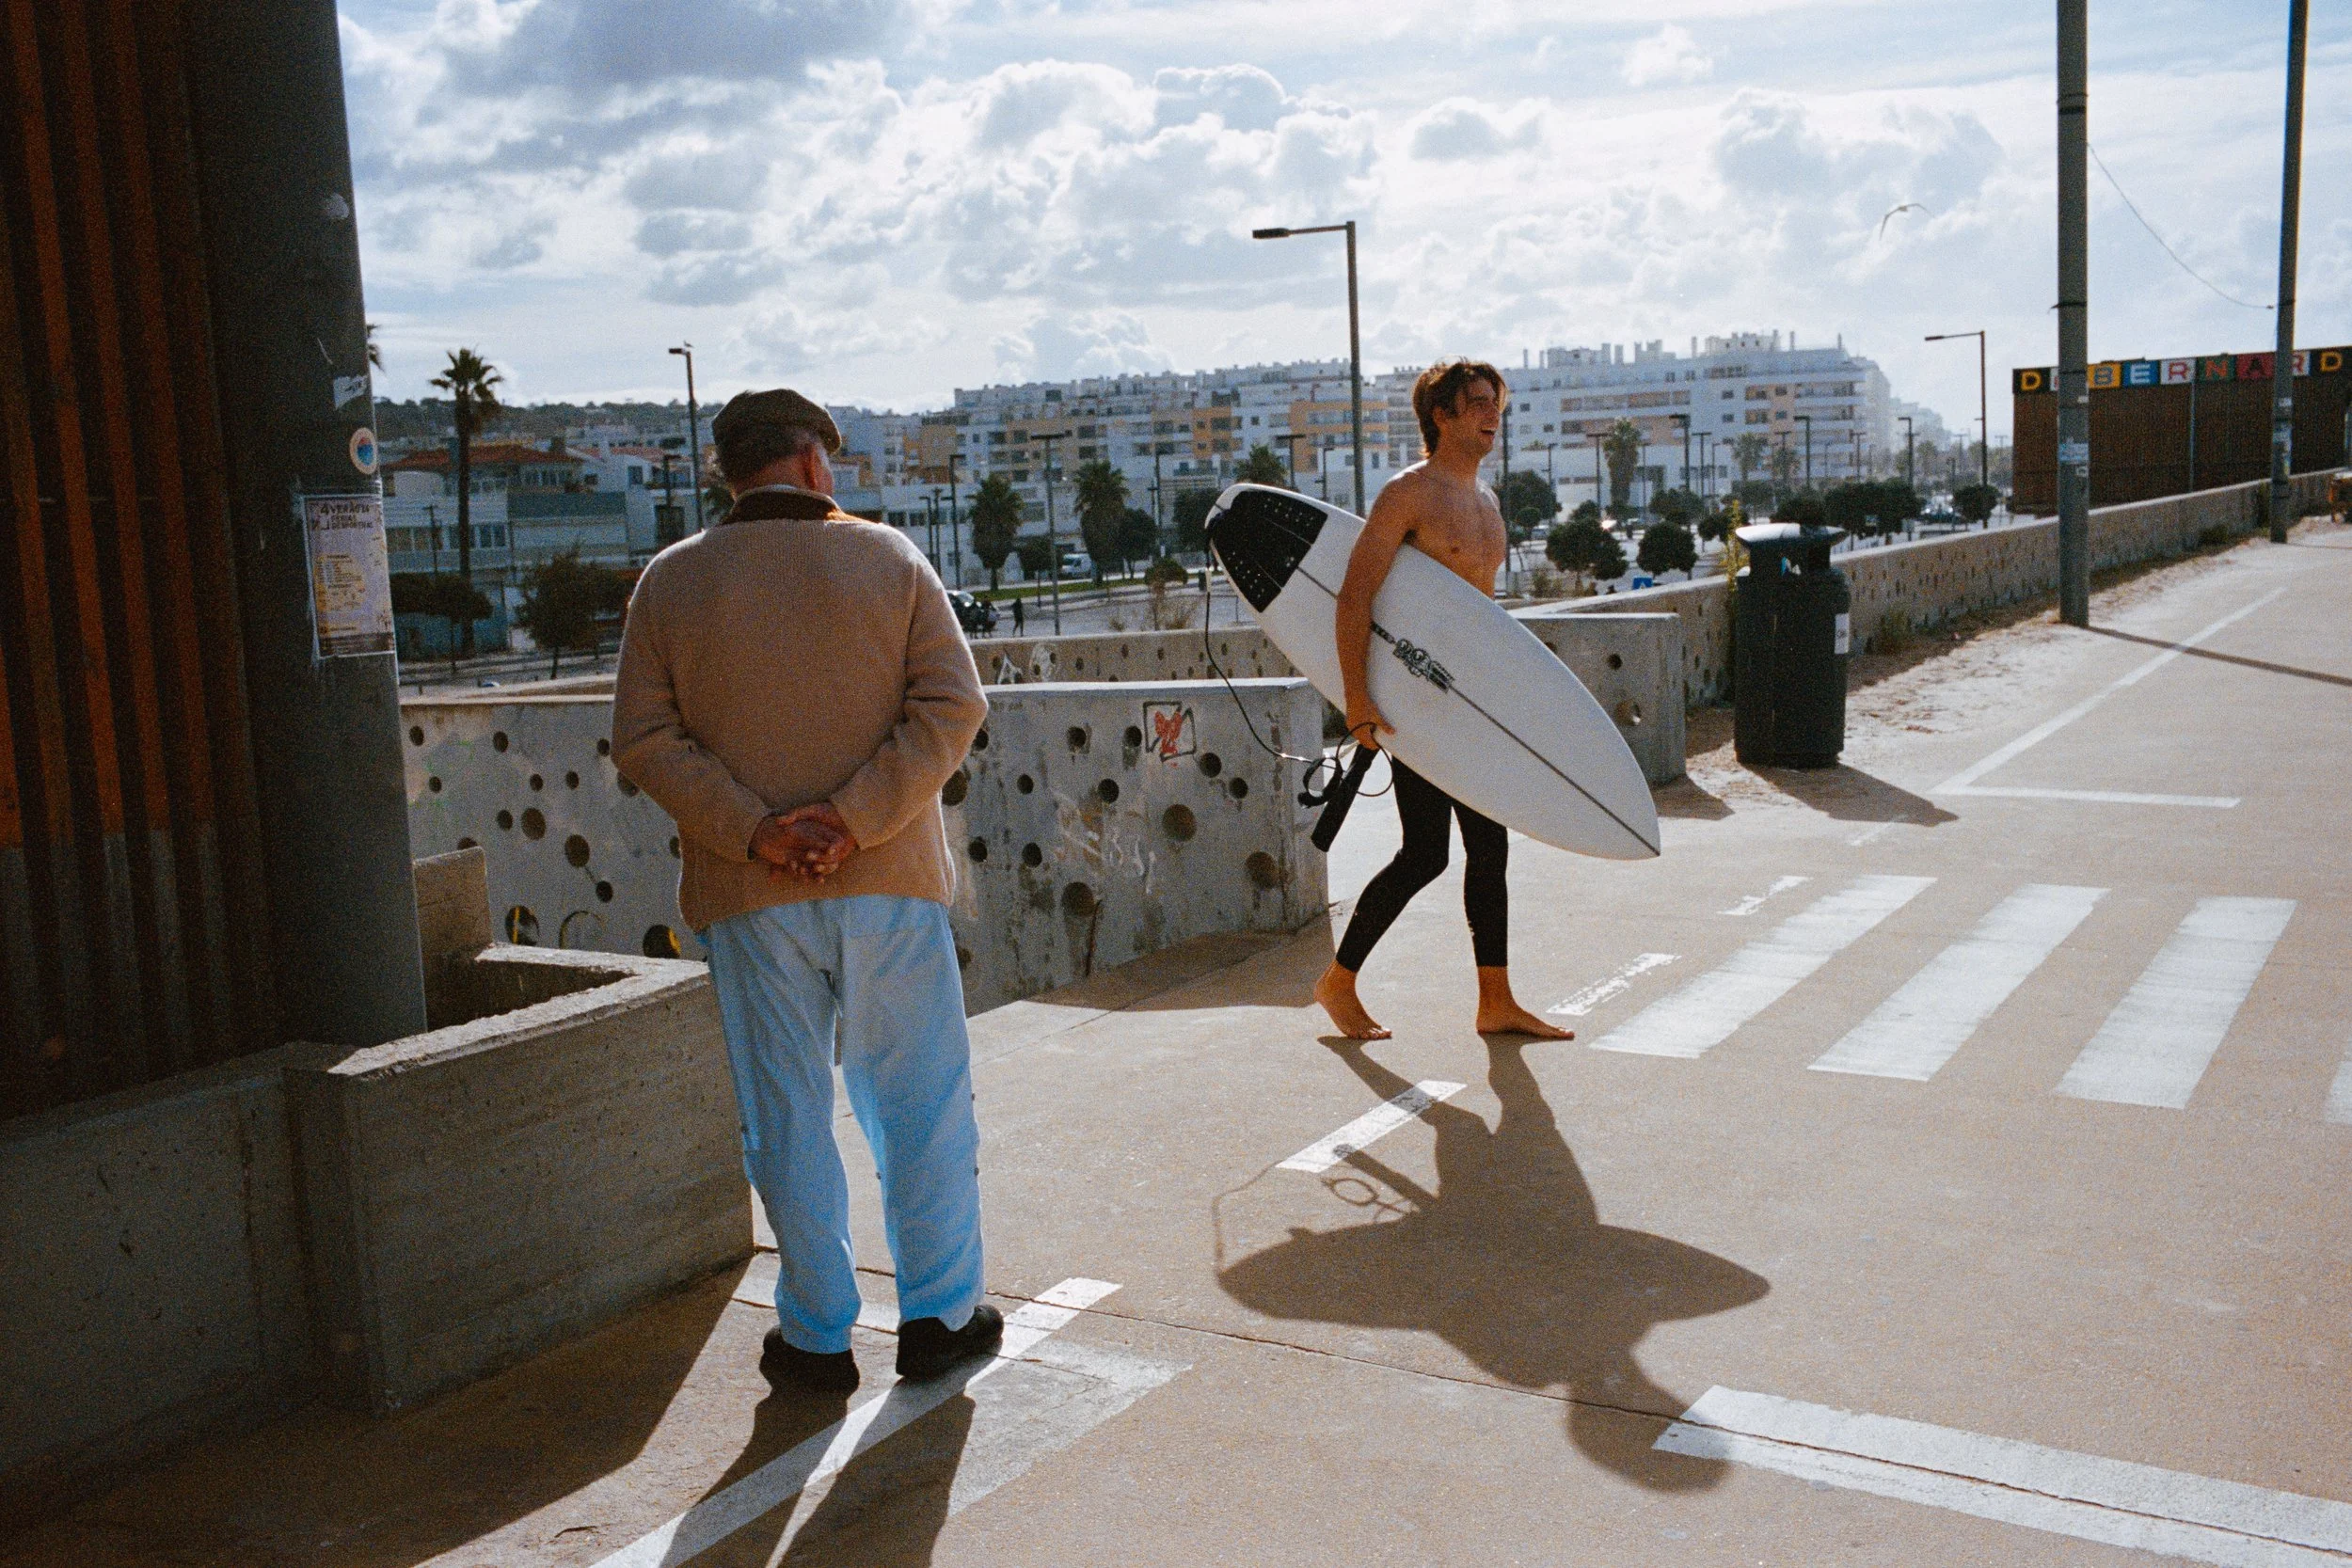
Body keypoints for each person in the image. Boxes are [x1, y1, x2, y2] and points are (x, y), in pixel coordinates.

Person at [612, 388, 999, 1395]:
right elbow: (953, 703)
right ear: (815, 462)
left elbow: (644, 737)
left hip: (748, 889)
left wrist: (758, 826)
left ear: (727, 471)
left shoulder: (669, 582)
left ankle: (819, 1335)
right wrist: (855, 815)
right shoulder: (888, 558)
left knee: (784, 1110)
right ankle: (938, 1316)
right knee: (917, 1100)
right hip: (888, 879)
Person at [1313, 359, 1573, 1044]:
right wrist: (1357, 698)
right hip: (1416, 704)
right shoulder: (1409, 494)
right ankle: (1339, 981)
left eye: (1497, 403)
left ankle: (1496, 999)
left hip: (1470, 703)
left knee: (1485, 847)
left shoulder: (1486, 503)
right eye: (1478, 403)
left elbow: (1481, 620)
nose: (1493, 415)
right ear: (1443, 415)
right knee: (1428, 852)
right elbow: (1355, 596)